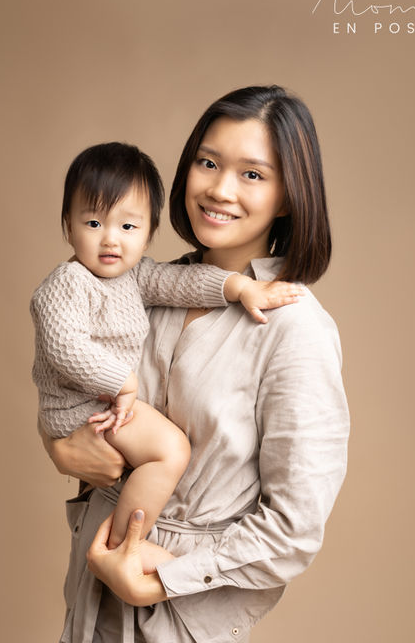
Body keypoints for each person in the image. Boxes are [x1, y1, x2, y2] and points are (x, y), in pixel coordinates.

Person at [8, 85, 350, 643]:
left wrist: (164, 582)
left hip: (175, 620)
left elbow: (294, 526)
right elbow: (80, 395)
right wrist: (62, 450)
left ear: (291, 194)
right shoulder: (140, 283)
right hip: (97, 594)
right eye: (206, 161)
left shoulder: (294, 328)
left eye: (252, 173)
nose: (220, 188)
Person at [31, 141, 304, 551]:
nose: (111, 240)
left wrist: (238, 286)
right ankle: (124, 547)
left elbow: (181, 283)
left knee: (167, 451)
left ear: (148, 234)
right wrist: (123, 383)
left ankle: (122, 540)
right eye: (93, 224)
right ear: (68, 225)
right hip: (79, 408)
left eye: (128, 227)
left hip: (104, 404)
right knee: (171, 451)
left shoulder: (134, 276)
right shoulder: (67, 284)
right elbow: (64, 348)